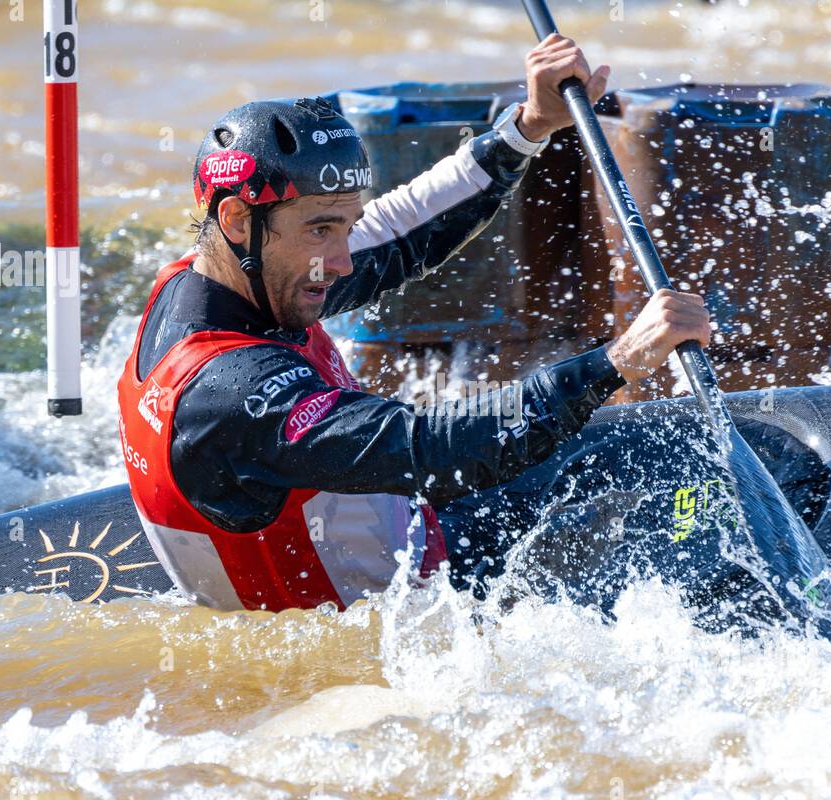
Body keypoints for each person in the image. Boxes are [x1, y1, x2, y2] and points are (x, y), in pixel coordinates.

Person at [117, 35, 711, 613]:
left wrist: (527, 125)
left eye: (346, 228)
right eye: (323, 229)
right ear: (238, 221)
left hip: (409, 539)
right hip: (418, 597)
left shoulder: (227, 281)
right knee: (695, 462)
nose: (345, 260)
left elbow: (402, 232)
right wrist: (615, 364)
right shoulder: (235, 391)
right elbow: (430, 450)